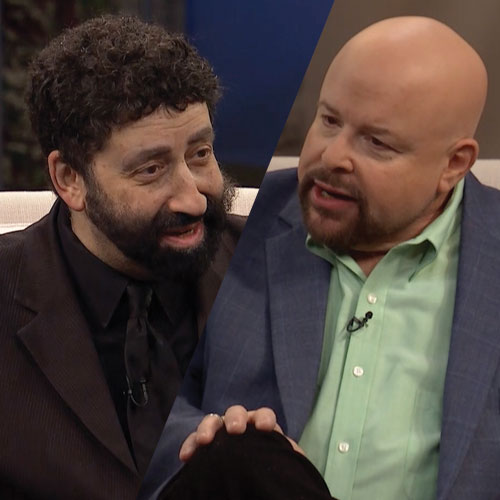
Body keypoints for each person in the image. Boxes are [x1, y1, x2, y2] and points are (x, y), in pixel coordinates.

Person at [142, 16, 500, 500]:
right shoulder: (228, 233)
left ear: (453, 164)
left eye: (376, 143)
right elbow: (143, 407)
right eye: (329, 121)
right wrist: (211, 442)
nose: (332, 157)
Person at [0, 15, 244, 500]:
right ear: (70, 179)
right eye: (151, 169)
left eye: (200, 154)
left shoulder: (267, 263)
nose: (193, 199)